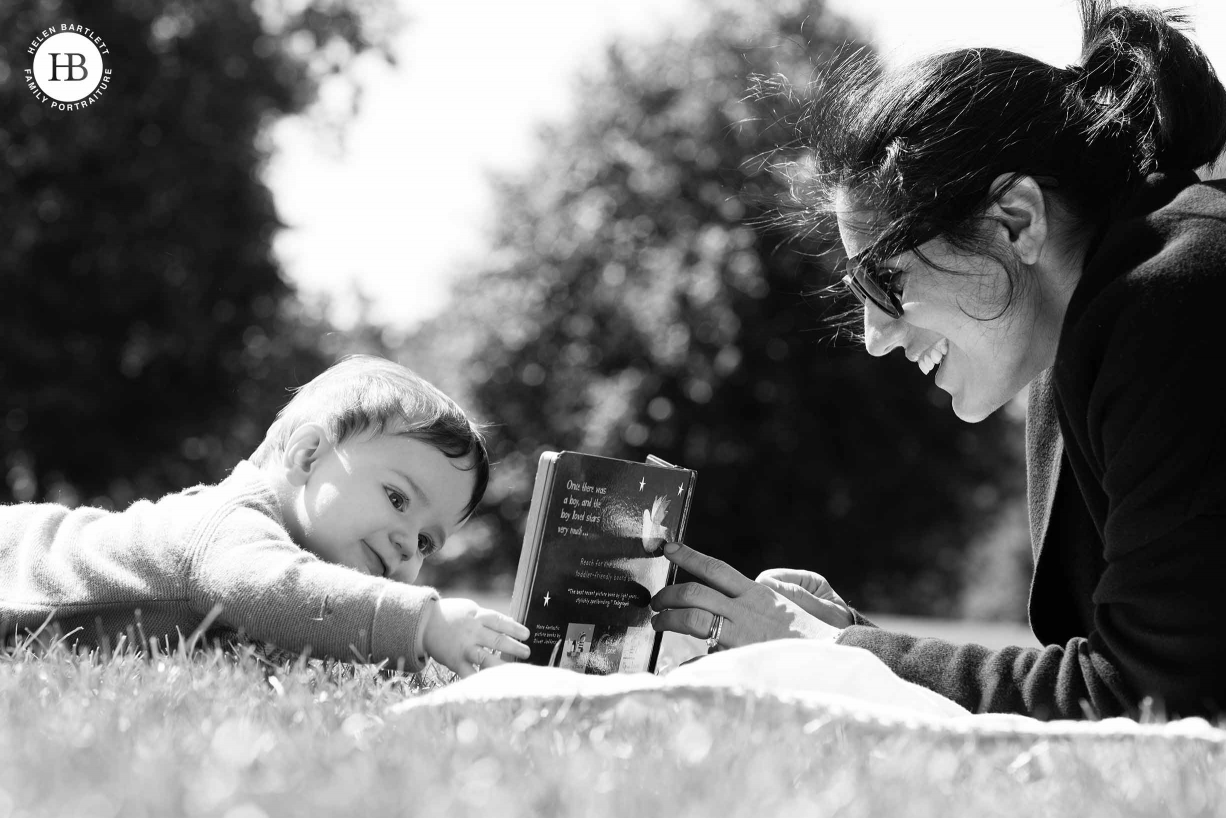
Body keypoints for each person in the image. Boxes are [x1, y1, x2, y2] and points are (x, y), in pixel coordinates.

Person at [650, 0, 1226, 720]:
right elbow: (1102, 670)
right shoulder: (1078, 336)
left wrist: (837, 655)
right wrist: (851, 642)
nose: (874, 335)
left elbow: (1157, 700)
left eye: (885, 280)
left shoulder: (1182, 297)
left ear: (1016, 220)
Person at [0, 354, 529, 678]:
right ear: (307, 456)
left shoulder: (283, 555)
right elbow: (272, 591)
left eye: (429, 541)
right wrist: (423, 623)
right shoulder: (227, 529)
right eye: (396, 499)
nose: (408, 546)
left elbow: (305, 620)